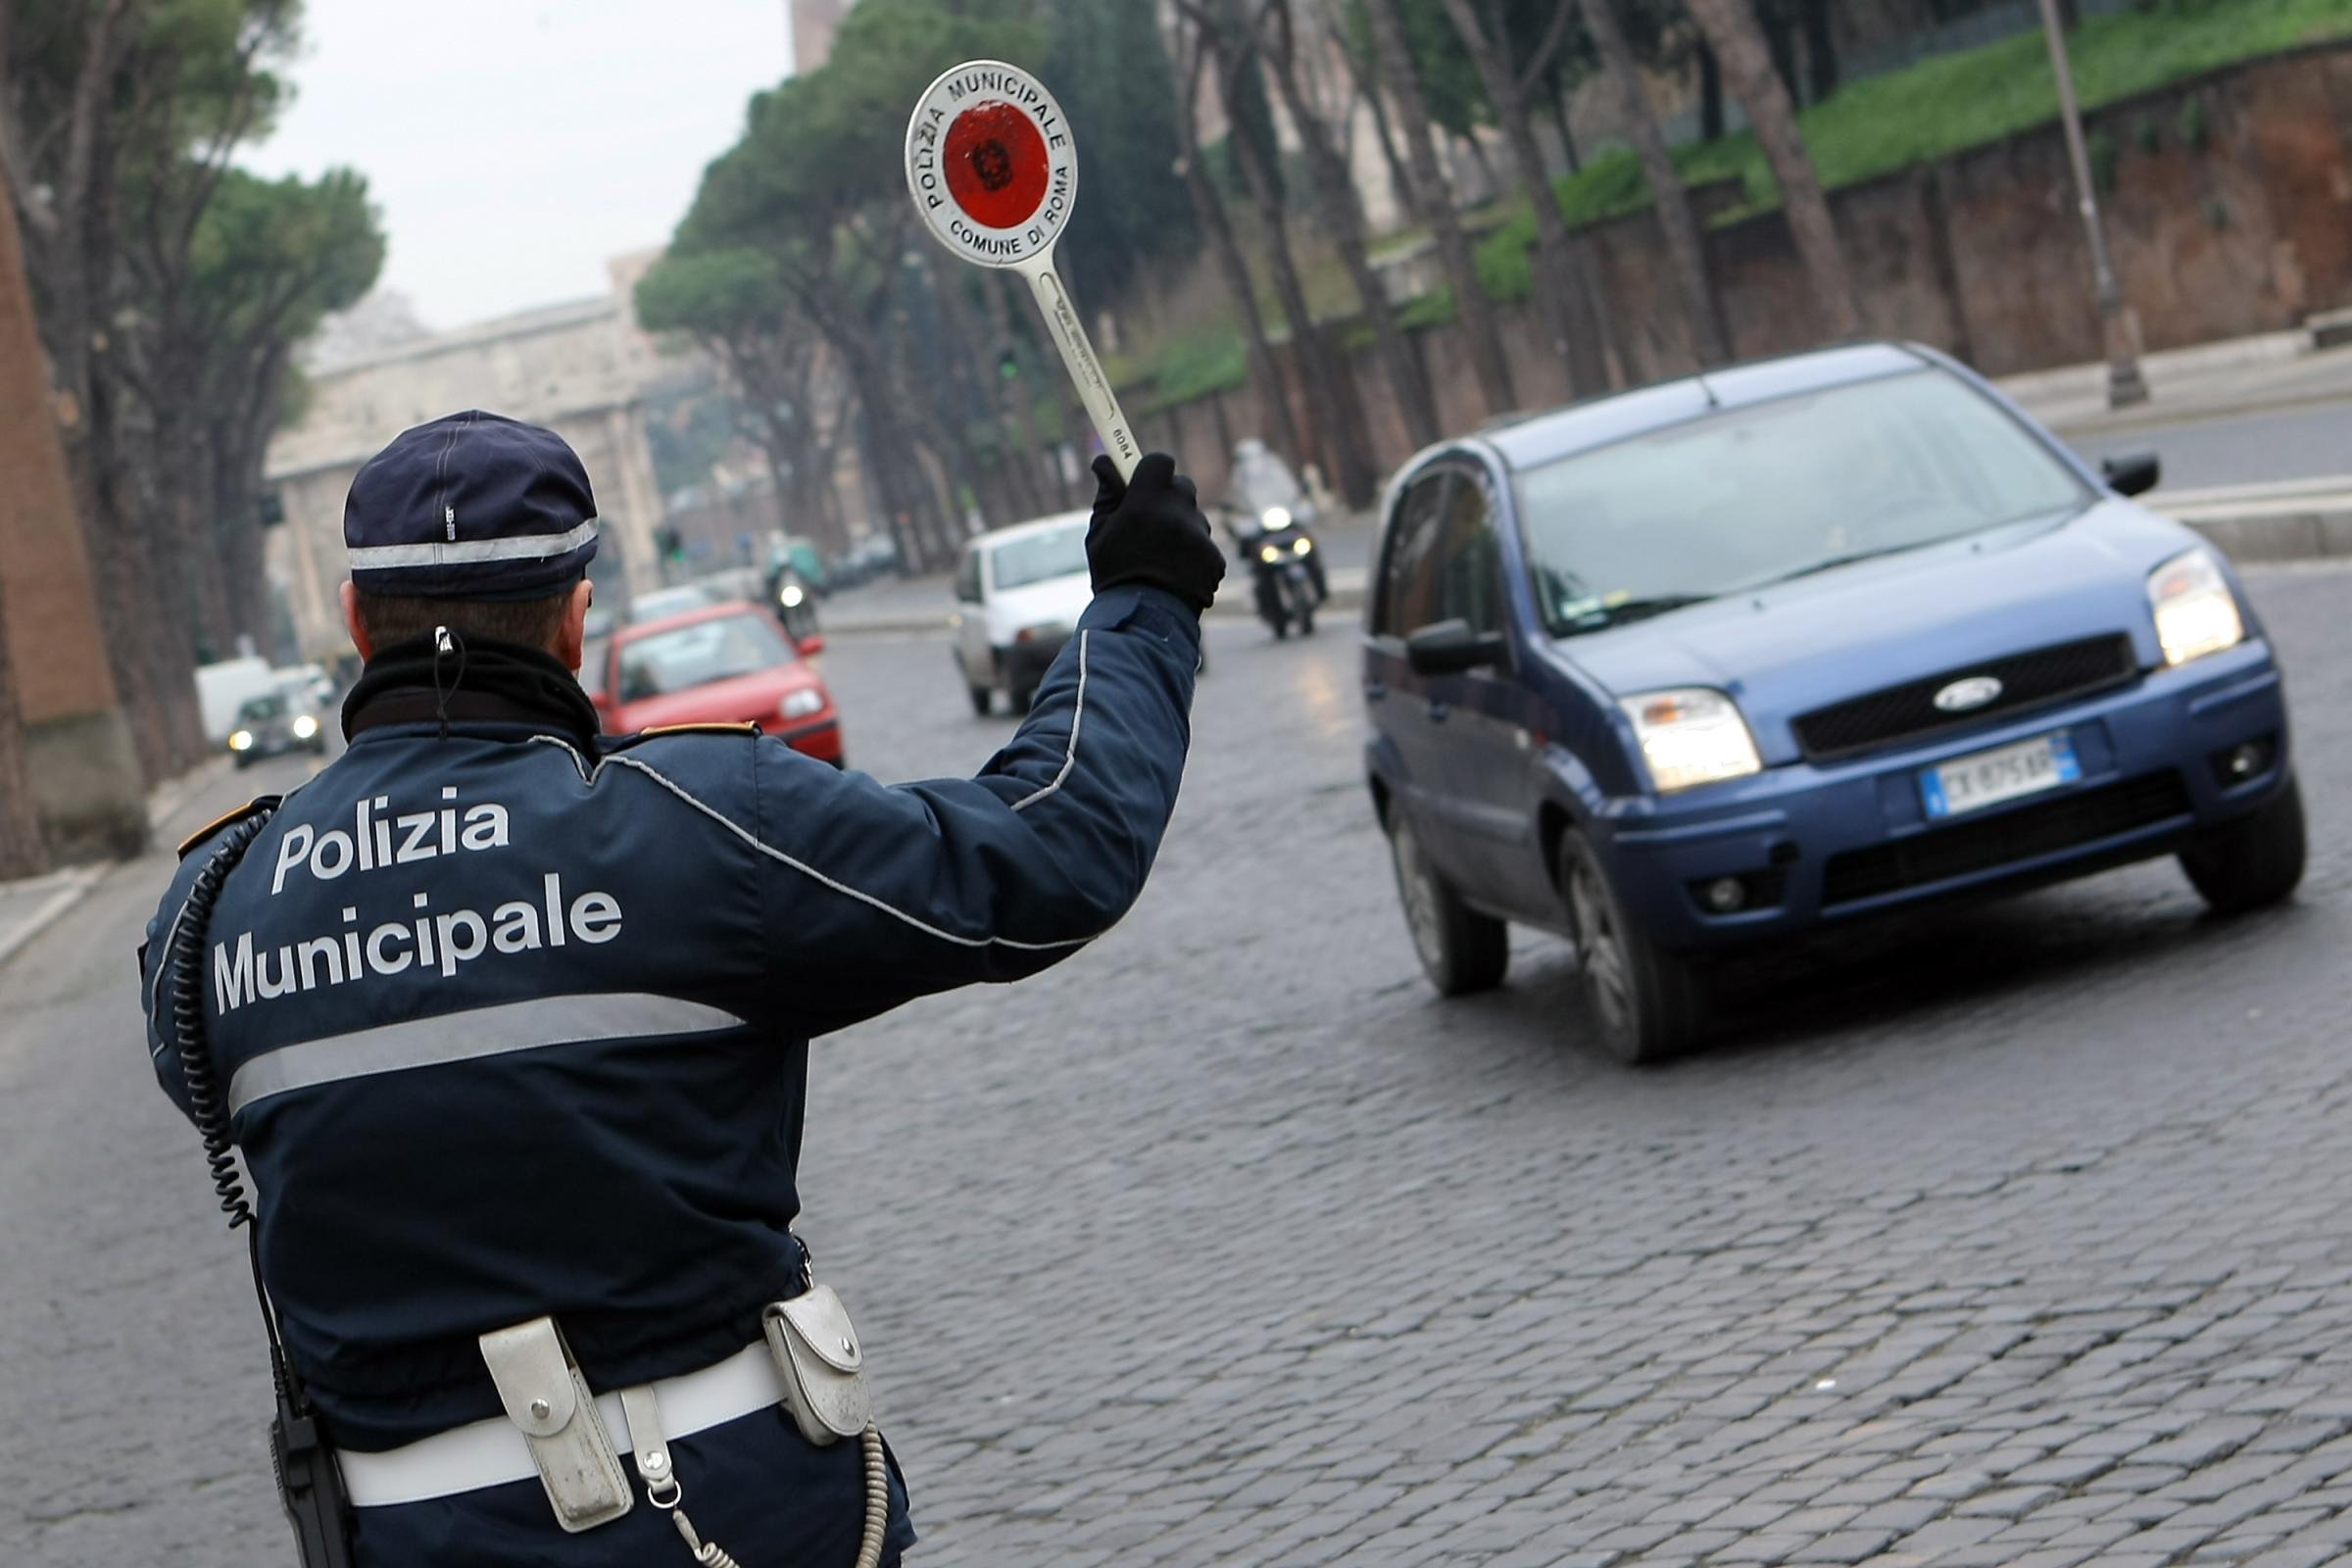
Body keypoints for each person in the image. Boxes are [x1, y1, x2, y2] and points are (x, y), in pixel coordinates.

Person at [139, 411, 1223, 1567]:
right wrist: (1142, 602)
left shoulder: (208, 910)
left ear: (356, 621)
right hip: (728, 1512)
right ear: (574, 618)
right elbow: (1052, 849)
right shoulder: (704, 823)